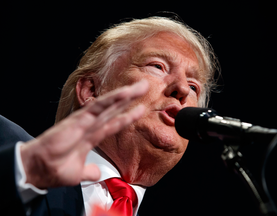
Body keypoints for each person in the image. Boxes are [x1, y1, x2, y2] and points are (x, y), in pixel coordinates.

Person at [0, 16, 218, 216]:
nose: (181, 88)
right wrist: (27, 169)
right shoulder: (5, 139)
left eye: (193, 87)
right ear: (92, 91)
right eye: (158, 66)